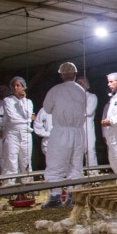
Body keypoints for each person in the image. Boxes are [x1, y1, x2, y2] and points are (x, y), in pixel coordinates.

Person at [42, 62, 86, 207]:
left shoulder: (55, 90)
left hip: (61, 131)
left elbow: (47, 109)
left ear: (61, 75)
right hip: (78, 132)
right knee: (75, 164)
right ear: (75, 74)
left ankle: (55, 197)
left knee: (56, 163)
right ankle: (73, 196)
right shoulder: (81, 91)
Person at [0, 76, 35, 184]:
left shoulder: (28, 102)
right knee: (10, 160)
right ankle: (8, 186)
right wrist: (26, 120)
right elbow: (12, 117)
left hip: (25, 133)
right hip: (12, 133)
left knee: (26, 160)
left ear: (23, 87)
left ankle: (27, 185)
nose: (16, 88)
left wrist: (22, 101)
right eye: (14, 85)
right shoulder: (8, 100)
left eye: (18, 85)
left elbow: (30, 115)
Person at [76, 76, 99, 170]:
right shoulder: (72, 98)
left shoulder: (92, 97)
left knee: (90, 151)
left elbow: (88, 111)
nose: (80, 84)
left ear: (87, 86)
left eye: (82, 83)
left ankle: (93, 175)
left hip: (87, 127)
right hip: (76, 128)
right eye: (78, 83)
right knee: (76, 152)